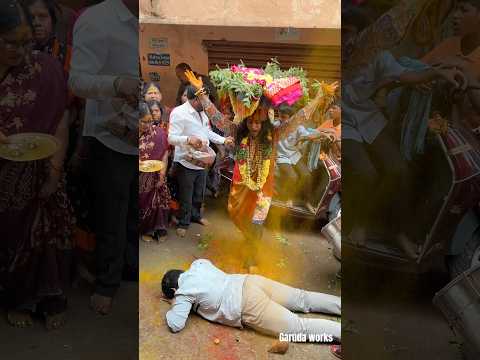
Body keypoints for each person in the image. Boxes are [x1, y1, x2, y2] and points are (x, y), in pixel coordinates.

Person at [341, 9, 467, 255]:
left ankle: (399, 233)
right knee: (367, 172)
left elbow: (407, 75)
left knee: (399, 170)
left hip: (369, 118)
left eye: (354, 34)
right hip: (343, 124)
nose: (349, 40)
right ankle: (361, 224)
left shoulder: (379, 57)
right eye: (344, 33)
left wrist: (438, 73)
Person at [185, 70, 337, 268]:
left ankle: (251, 257)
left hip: (263, 190)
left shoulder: (275, 134)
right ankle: (250, 240)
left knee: (257, 222)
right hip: (241, 188)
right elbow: (216, 118)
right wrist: (202, 94)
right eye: (251, 121)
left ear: (264, 121)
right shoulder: (236, 131)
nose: (255, 126)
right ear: (246, 120)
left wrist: (319, 97)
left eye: (258, 122)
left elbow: (299, 118)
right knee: (239, 218)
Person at [0, 0, 73, 330]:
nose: (20, 50)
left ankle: (47, 298)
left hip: (41, 168)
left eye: (25, 41)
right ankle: (13, 301)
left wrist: (54, 172)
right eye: (10, 42)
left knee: (45, 236)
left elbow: (61, 119)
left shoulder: (45, 69)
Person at [69, 0, 140, 315]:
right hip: (109, 135)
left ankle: (129, 267)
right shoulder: (97, 19)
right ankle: (106, 283)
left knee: (136, 211)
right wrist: (115, 84)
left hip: (145, 132)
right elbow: (77, 81)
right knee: (112, 213)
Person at [162, 259, 341, 341]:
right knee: (303, 298)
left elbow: (176, 324)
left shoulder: (183, 293)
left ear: (173, 290)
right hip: (250, 281)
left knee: (299, 329)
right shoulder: (198, 264)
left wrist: (175, 301)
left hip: (247, 304)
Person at [168, 85, 234, 237]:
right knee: (186, 193)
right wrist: (188, 139)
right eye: (203, 101)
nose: (205, 105)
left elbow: (207, 132)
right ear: (195, 99)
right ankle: (184, 223)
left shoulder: (202, 111)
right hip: (186, 161)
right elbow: (171, 138)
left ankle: (196, 216)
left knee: (199, 192)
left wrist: (223, 140)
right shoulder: (179, 113)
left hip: (203, 160)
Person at [139, 103, 171, 242]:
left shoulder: (159, 133)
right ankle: (145, 230)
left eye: (150, 121)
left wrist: (162, 175)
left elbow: (165, 153)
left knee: (159, 201)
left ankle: (157, 229)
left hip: (156, 175)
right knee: (143, 203)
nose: (148, 125)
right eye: (143, 121)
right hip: (139, 178)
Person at [274, 104, 314, 206]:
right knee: (293, 177)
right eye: (280, 116)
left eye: (284, 117)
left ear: (291, 118)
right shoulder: (276, 125)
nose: (281, 119)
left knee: (307, 175)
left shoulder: (299, 127)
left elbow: (307, 135)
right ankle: (288, 199)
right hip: (281, 156)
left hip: (294, 155)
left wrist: (316, 136)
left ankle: (307, 201)